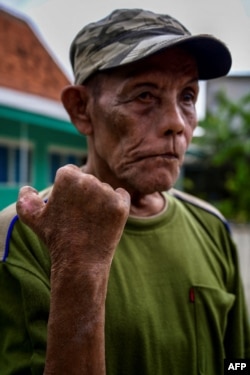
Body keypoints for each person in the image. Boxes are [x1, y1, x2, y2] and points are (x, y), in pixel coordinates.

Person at [0, 8, 249, 375]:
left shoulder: (212, 228)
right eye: (145, 95)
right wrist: (80, 269)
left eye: (188, 96)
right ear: (81, 109)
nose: (176, 124)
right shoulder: (28, 232)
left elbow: (238, 362)